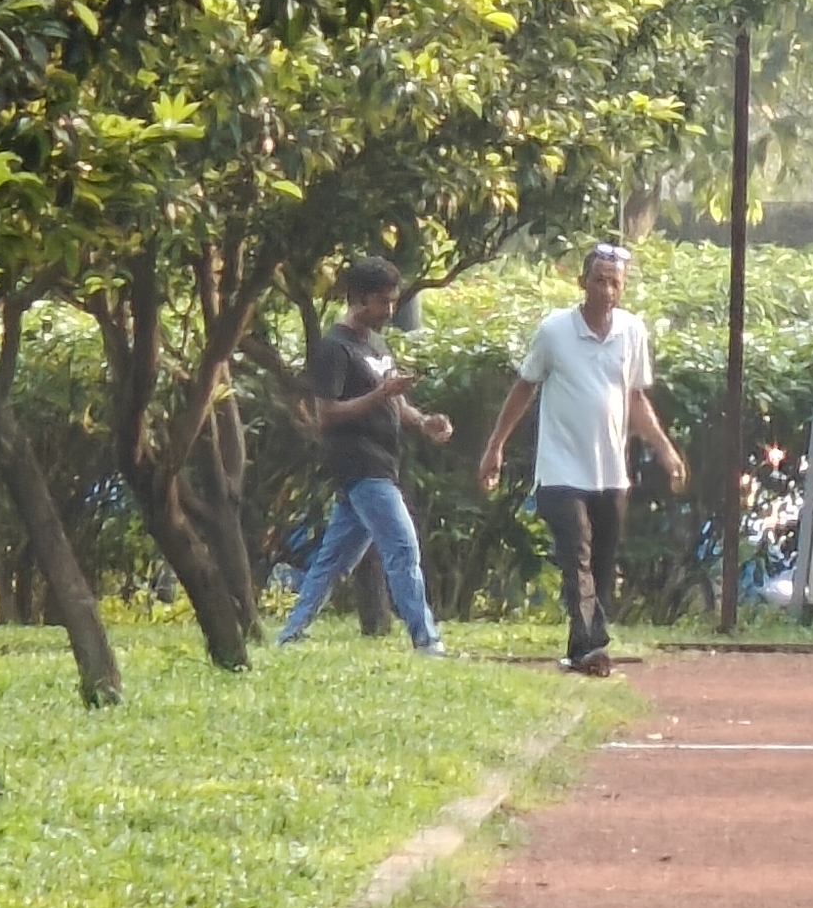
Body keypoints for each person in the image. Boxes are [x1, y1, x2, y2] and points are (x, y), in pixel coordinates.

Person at [474, 241, 689, 677]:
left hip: (611, 472)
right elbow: (524, 387)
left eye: (615, 282)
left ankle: (580, 649)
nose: (607, 290)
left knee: (601, 566)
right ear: (582, 283)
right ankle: (595, 647)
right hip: (560, 469)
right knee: (577, 556)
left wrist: (665, 449)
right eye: (599, 280)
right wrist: (495, 446)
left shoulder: (631, 332)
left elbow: (635, 398)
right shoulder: (555, 331)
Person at [279, 258, 451, 652]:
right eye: (382, 302)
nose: (390, 310)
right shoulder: (334, 348)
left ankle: (289, 635)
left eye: (393, 301)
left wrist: (424, 421)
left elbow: (397, 401)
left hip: (383, 463)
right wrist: (380, 396)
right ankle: (427, 640)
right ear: (359, 299)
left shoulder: (376, 343)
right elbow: (327, 414)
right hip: (360, 465)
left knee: (332, 561)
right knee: (403, 548)